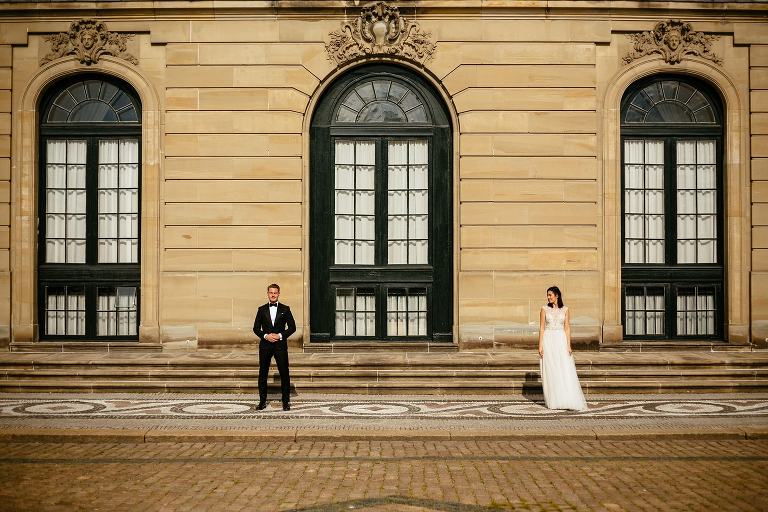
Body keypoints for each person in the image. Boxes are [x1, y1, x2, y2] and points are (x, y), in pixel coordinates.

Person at [538, 286, 588, 411]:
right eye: (547, 295)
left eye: (550, 295)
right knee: (551, 369)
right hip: (548, 340)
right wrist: (540, 345)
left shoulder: (565, 309)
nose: (548, 297)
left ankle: (566, 398)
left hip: (561, 340)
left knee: (563, 368)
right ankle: (553, 401)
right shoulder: (544, 309)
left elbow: (567, 328)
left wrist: (568, 344)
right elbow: (542, 328)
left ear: (557, 295)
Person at [253, 283, 296, 411]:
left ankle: (285, 402)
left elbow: (292, 327)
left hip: (280, 346)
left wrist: (280, 335)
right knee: (263, 373)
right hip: (265, 346)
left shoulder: (285, 309)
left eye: (275, 292)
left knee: (284, 373)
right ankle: (262, 401)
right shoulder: (261, 309)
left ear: (278, 293)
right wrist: (266, 335)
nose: (273, 295)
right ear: (267, 293)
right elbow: (255, 328)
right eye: (271, 292)